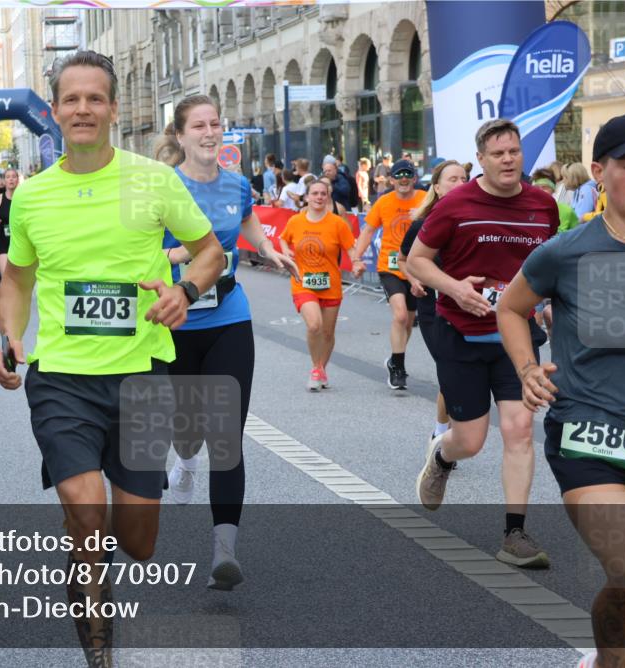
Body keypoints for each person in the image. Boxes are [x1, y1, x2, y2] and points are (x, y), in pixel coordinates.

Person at [0, 50, 224, 668]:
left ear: (114, 110)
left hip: (142, 377)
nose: (84, 109)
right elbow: (15, 279)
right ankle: (99, 647)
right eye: (73, 99)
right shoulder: (33, 197)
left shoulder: (152, 180)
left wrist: (185, 291)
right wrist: (12, 338)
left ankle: (90, 556)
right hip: (61, 378)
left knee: (139, 542)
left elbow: (208, 253)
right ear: (55, 112)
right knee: (87, 515)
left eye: (96, 98)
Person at [497, 113, 625, 668]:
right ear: (598, 174)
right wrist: (527, 368)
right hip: (591, 436)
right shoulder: (567, 250)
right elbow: (510, 307)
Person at [154, 94, 297, 591]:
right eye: (199, 125)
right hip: (174, 322)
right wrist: (187, 253)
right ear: (180, 135)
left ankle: (224, 551)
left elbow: (250, 225)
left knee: (227, 438)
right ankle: (184, 456)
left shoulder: (237, 184)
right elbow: (147, 248)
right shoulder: (163, 186)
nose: (210, 132)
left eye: (216, 123)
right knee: (186, 429)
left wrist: (269, 250)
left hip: (228, 316)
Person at [408, 118, 559, 567]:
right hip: (462, 335)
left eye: (514, 151)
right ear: (482, 160)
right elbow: (416, 261)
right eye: (498, 153)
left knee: (518, 432)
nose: (509, 159)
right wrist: (455, 288)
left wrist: (548, 301)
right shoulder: (455, 205)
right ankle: (441, 456)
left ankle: (515, 534)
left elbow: (546, 266)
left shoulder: (543, 205)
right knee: (470, 440)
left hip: (518, 339)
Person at [398, 160, 468, 444]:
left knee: (460, 373)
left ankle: (447, 428)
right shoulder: (422, 225)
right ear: (437, 188)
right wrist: (414, 280)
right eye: (453, 179)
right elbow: (403, 260)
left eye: (464, 178)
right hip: (434, 309)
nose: (460, 183)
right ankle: (442, 430)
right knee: (450, 369)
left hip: (470, 308)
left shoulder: (475, 223)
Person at [281, 178, 365, 390]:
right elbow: (283, 238)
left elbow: (351, 248)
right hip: (303, 282)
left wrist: (356, 263)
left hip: (330, 284)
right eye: (315, 193)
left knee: (328, 333)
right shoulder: (296, 222)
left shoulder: (337, 224)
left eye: (323, 194)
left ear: (328, 197)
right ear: (307, 196)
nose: (319, 197)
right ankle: (316, 368)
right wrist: (285, 250)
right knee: (314, 325)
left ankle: (320, 369)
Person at [352, 158, 426, 389]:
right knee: (401, 316)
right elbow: (369, 230)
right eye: (399, 175)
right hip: (390, 267)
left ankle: (395, 357)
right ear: (391, 179)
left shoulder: (425, 200)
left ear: (414, 178)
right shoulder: (384, 202)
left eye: (408, 174)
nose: (404, 178)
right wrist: (356, 257)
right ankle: (398, 367)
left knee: (409, 320)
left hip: (418, 267)